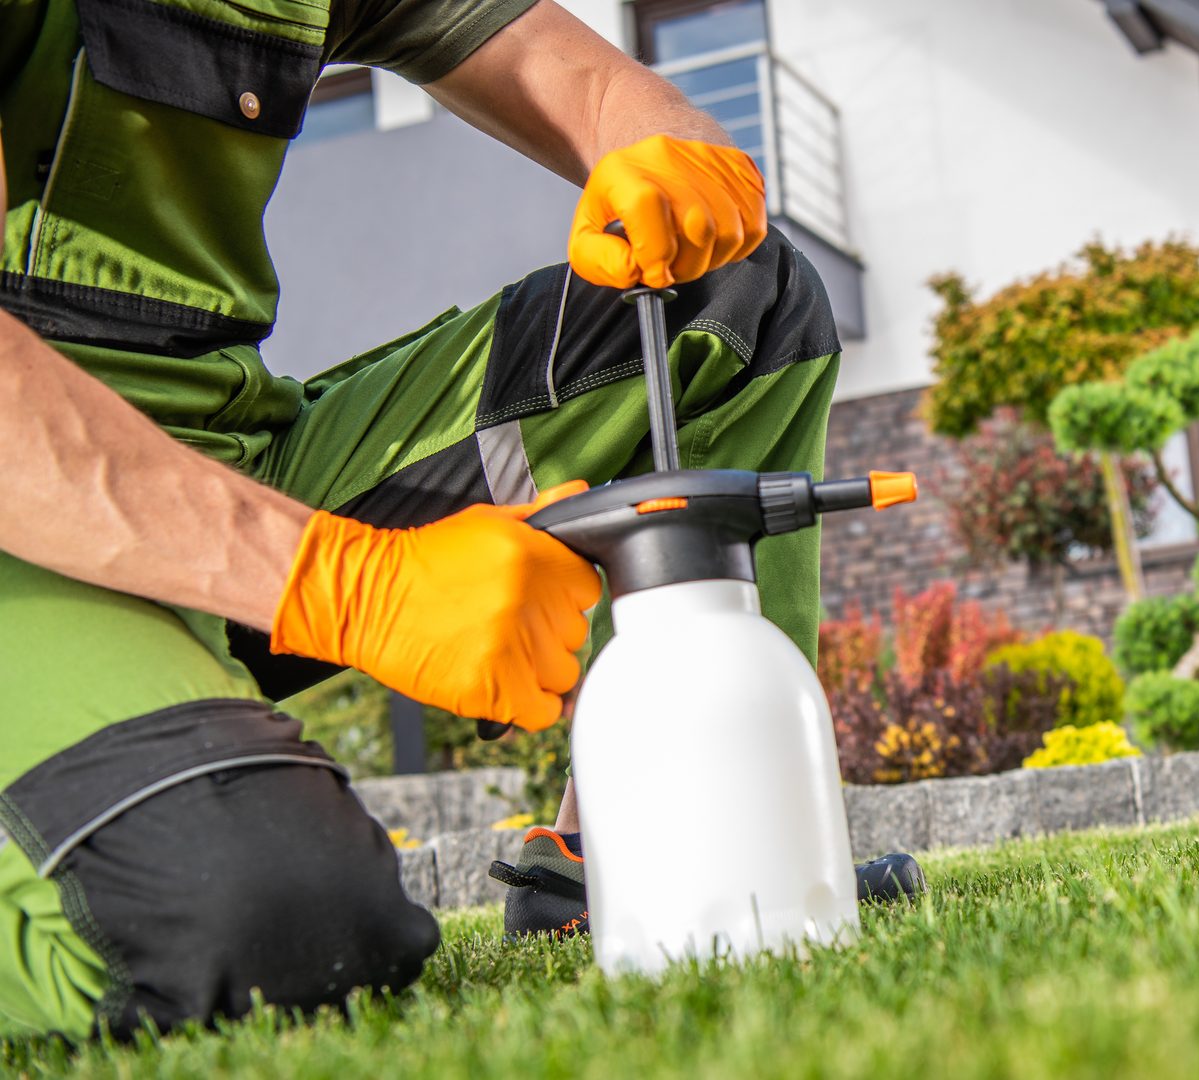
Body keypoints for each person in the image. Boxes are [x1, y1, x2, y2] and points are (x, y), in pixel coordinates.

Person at [0, 0, 916, 1041]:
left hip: (228, 449)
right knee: (262, 918)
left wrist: (671, 153)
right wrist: (340, 581)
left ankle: (642, 849)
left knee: (734, 303)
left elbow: (559, 63)